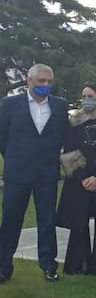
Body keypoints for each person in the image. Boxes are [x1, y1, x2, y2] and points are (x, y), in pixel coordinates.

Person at [0, 64, 69, 283]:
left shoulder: (59, 106)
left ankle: (48, 265)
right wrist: (14, 157)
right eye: (41, 81)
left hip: (46, 172)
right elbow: (3, 137)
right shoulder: (9, 105)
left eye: (49, 82)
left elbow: (62, 136)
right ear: (29, 81)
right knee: (11, 219)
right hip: (17, 171)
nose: (45, 85)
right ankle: (3, 266)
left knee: (47, 219)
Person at [56, 82, 96, 275]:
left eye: (90, 96)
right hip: (79, 177)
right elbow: (68, 149)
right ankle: (78, 264)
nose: (86, 100)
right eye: (83, 96)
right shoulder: (74, 121)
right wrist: (83, 176)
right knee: (79, 221)